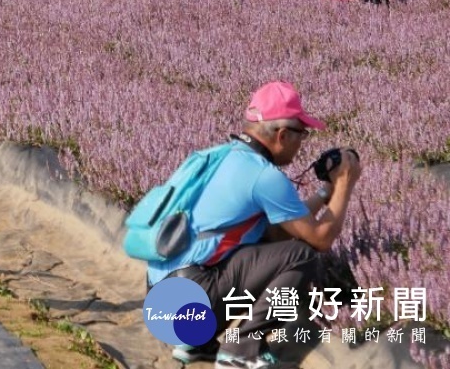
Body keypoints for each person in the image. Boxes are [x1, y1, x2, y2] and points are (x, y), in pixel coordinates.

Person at [149, 81, 361, 369]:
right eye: (302, 134)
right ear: (283, 135)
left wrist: (326, 193)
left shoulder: (218, 155)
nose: (303, 143)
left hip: (162, 305)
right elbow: (319, 239)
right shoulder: (263, 176)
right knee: (302, 256)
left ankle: (194, 342)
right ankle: (241, 351)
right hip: (192, 297)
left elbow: (279, 232)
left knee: (270, 244)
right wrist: (345, 183)